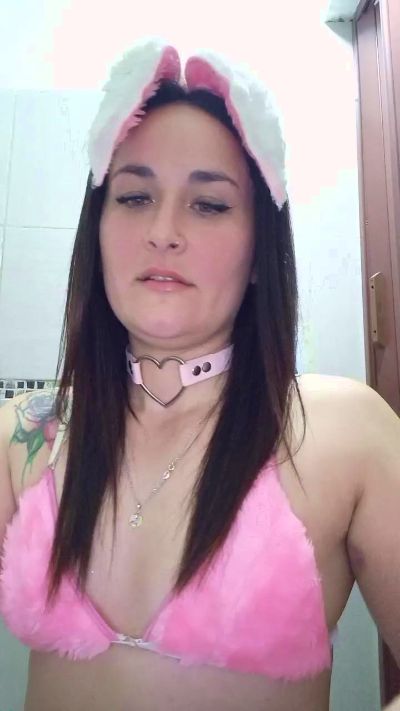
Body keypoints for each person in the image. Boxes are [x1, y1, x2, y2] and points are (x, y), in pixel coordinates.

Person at [0, 36, 399, 711]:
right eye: (133, 197)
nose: (163, 230)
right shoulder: (24, 435)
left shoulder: (343, 432)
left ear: (259, 248)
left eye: (209, 204)